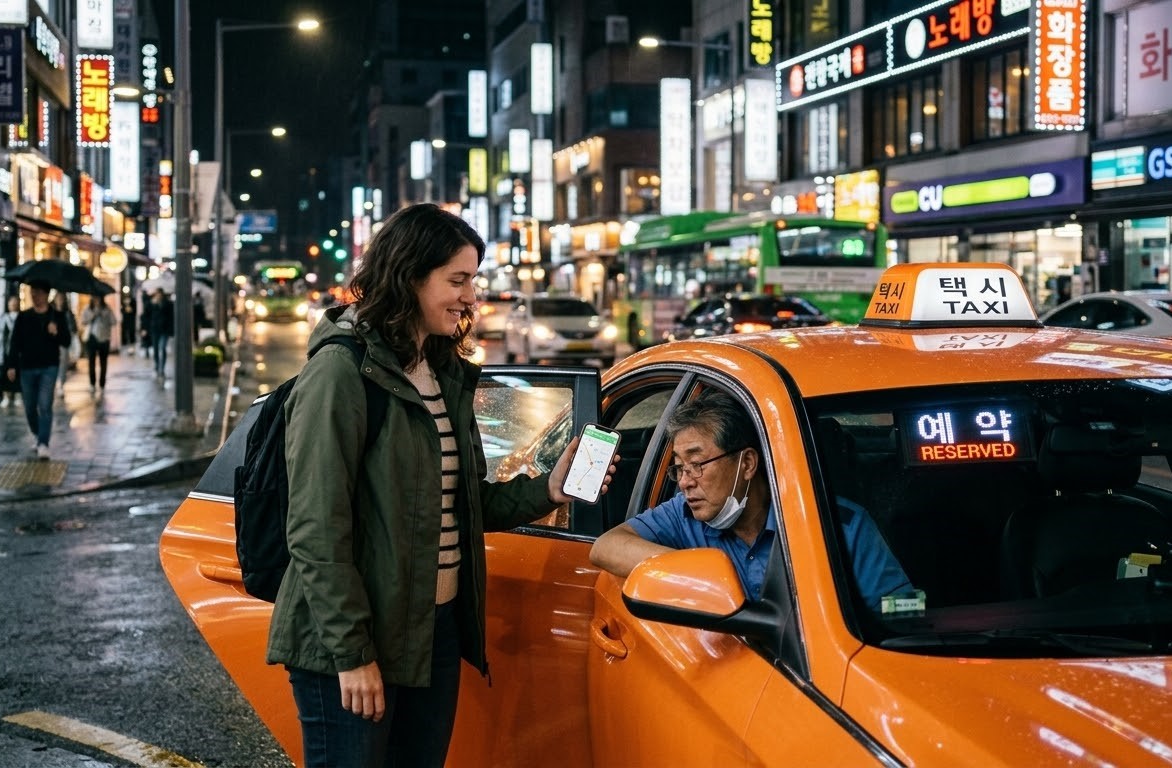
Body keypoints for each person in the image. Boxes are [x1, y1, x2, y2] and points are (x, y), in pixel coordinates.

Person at [269, 203, 616, 767]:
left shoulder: (442, 371)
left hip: (433, 632)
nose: (470, 297)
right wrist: (352, 652)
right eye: (457, 280)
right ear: (408, 277)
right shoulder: (341, 371)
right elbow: (315, 527)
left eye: (472, 280)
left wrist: (548, 488)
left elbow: (460, 501)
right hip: (356, 642)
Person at [590, 390, 912, 612]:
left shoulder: (838, 525)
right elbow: (605, 547)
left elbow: (903, 608)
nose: (686, 481)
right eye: (680, 467)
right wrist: (693, 574)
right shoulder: (684, 513)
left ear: (746, 464)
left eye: (697, 464)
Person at [6, 280, 70, 460]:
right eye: (32, 292)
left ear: (47, 294)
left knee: (44, 404)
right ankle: (37, 433)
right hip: (27, 366)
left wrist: (56, 332)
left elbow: (66, 341)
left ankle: (43, 442)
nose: (35, 296)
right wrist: (11, 364)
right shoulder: (24, 316)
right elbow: (15, 342)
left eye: (39, 293)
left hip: (49, 366)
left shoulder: (56, 316)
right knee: (29, 407)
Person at [80, 294, 116, 397]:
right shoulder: (87, 309)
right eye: (94, 298)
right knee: (91, 362)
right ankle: (92, 384)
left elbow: (114, 321)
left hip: (104, 338)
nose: (96, 300)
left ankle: (102, 384)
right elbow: (83, 321)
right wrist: (93, 316)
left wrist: (104, 316)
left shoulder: (107, 309)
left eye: (98, 298)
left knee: (103, 362)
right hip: (91, 338)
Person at [0, 295, 22, 408]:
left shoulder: (21, 317)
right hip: (4, 351)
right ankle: (6, 396)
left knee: (18, 374)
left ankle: (18, 396)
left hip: (18, 352)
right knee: (4, 374)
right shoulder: (3, 318)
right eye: (11, 302)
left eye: (15, 302)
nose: (13, 304)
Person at [142, 288, 173, 379]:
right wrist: (144, 328)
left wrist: (170, 330)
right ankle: (157, 364)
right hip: (154, 329)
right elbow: (145, 317)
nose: (159, 296)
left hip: (164, 330)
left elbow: (171, 317)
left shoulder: (167, 304)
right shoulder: (150, 304)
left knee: (162, 348)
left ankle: (162, 368)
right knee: (156, 349)